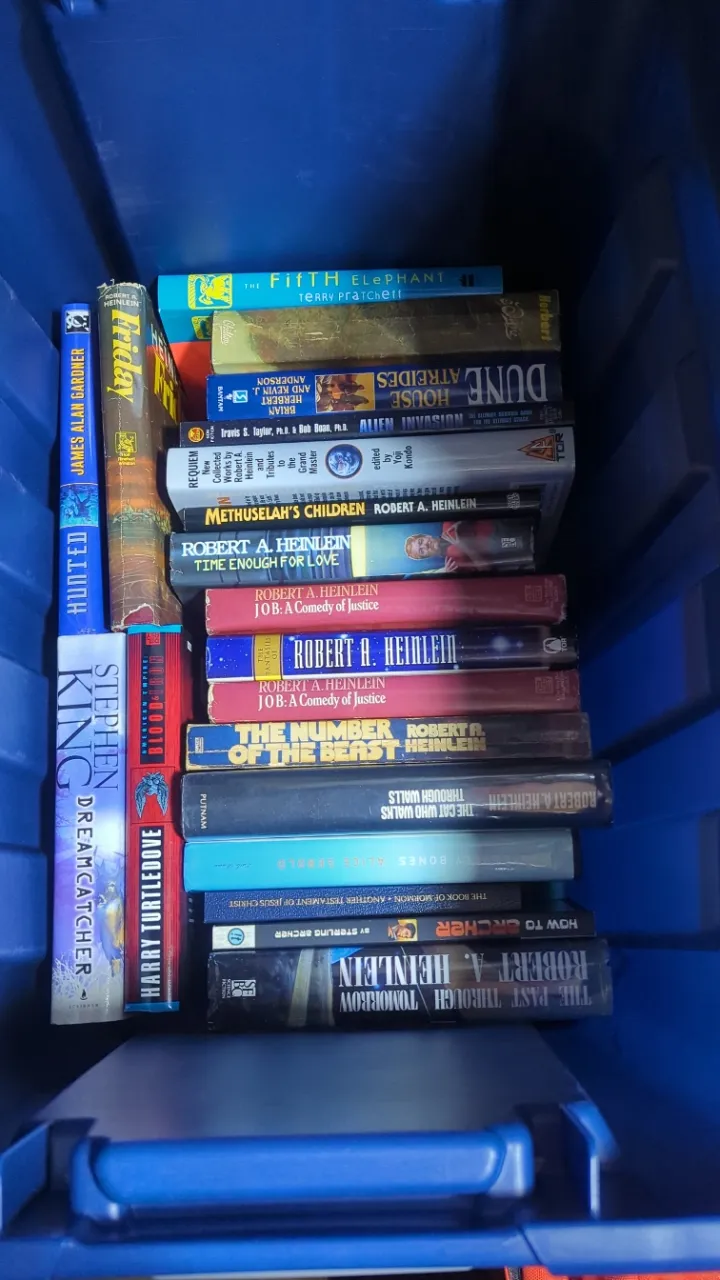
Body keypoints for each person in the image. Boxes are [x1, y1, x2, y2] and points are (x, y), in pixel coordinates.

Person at [404, 520, 499, 572]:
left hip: (498, 525)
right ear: (427, 556)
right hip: (499, 553)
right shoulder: (452, 564)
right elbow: (487, 570)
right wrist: (465, 547)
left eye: (421, 541)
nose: (425, 546)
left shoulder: (448, 523)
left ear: (426, 536)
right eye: (421, 550)